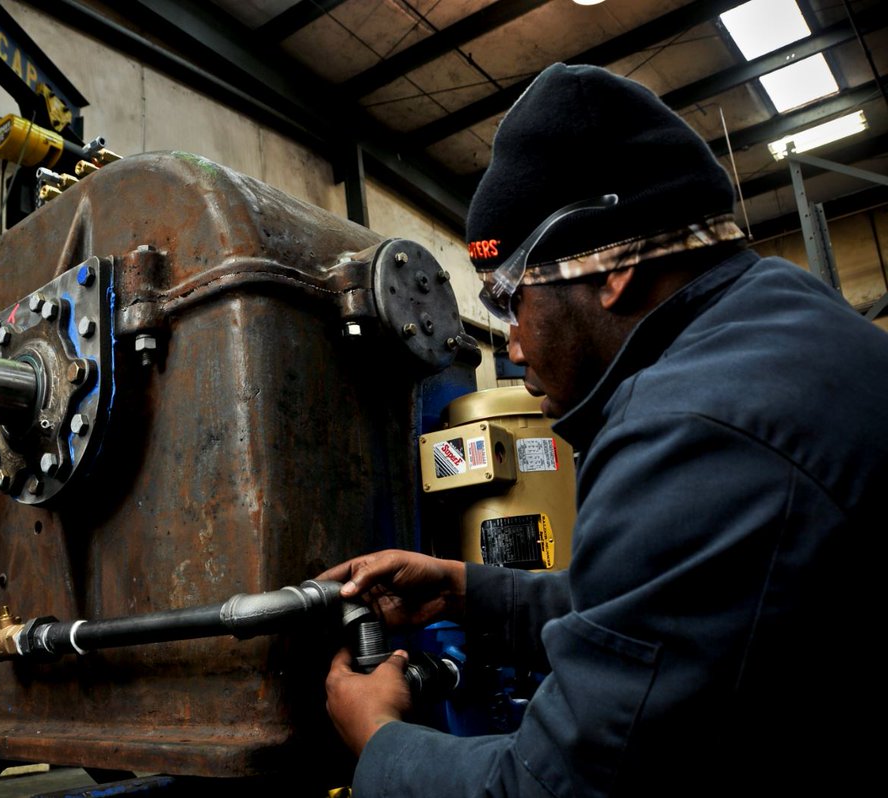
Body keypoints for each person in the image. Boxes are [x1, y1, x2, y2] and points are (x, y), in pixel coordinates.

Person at [319, 62, 888, 796]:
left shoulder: (690, 430)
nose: (513, 344)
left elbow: (554, 790)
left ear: (610, 264)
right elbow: (675, 611)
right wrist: (472, 590)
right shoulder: (783, 326)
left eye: (508, 299)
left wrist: (380, 741)